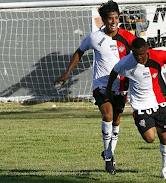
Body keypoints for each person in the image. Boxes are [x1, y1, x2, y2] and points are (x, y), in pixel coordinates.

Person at [53, 0, 136, 175]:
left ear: (119, 18)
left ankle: (110, 153)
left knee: (117, 121)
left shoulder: (128, 37)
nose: (113, 22)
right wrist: (68, 72)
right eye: (109, 18)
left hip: (121, 84)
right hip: (102, 84)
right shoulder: (94, 37)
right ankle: (107, 155)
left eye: (116, 18)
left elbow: (142, 53)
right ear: (103, 20)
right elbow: (79, 51)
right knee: (108, 114)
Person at [106, 37, 166, 179]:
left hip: (160, 104)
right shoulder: (126, 62)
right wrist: (109, 89)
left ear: (146, 49)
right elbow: (114, 72)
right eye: (136, 54)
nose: (139, 57)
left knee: (164, 137)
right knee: (150, 138)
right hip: (140, 107)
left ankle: (165, 169)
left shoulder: (157, 56)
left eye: (142, 54)